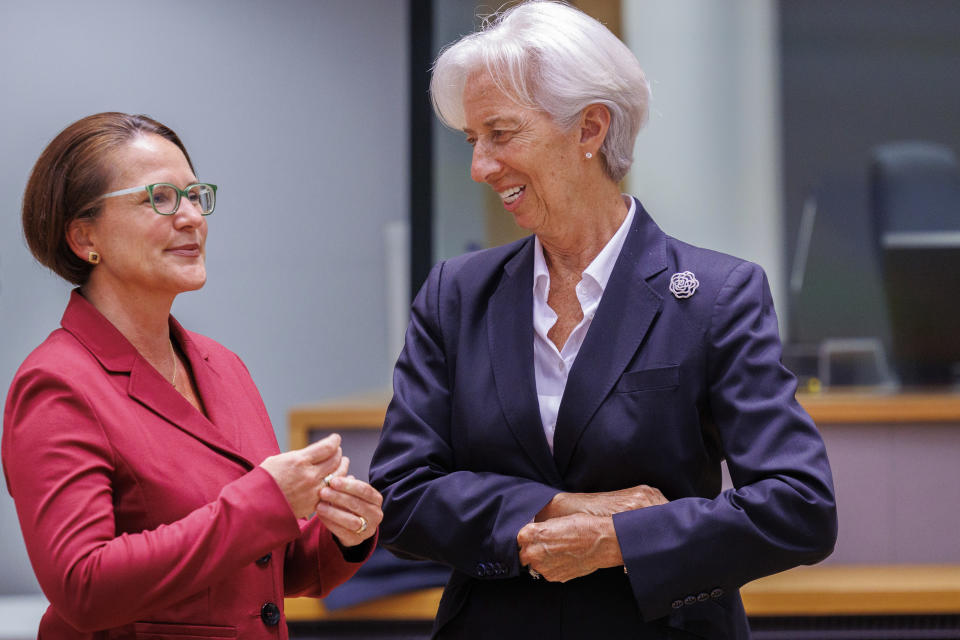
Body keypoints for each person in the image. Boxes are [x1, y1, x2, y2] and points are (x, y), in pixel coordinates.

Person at [369, 2, 837, 638]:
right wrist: (556, 506)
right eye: (472, 141)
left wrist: (622, 539)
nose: (481, 167)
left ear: (589, 129)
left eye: (501, 134)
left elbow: (799, 506)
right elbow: (400, 494)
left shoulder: (717, 296)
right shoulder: (457, 294)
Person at [2, 112, 383, 639]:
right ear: (84, 235)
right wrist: (268, 500)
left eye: (196, 195)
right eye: (159, 198)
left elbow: (267, 565)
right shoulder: (57, 384)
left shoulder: (221, 366)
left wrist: (343, 534)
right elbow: (82, 586)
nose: (191, 218)